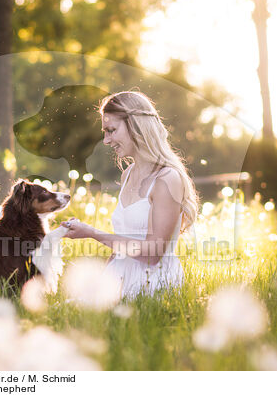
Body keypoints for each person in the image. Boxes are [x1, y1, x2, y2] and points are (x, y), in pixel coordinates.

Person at [61, 90, 199, 298]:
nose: (106, 140)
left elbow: (152, 254)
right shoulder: (127, 175)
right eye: (105, 132)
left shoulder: (167, 178)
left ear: (136, 126)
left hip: (152, 284)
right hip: (118, 279)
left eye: (111, 130)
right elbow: (120, 249)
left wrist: (92, 233)